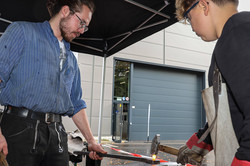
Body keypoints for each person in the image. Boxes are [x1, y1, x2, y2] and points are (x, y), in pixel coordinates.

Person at [0, 0, 107, 165]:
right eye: (81, 23)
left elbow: (76, 104)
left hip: (56, 135)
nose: (82, 30)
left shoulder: (71, 59)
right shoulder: (22, 32)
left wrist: (91, 141)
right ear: (65, 11)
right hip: (19, 130)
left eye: (85, 27)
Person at [175, 0, 250, 165]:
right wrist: (200, 141)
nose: (191, 26)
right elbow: (228, 110)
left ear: (203, 5)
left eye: (188, 17)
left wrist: (244, 158)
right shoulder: (232, 36)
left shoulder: (239, 32)